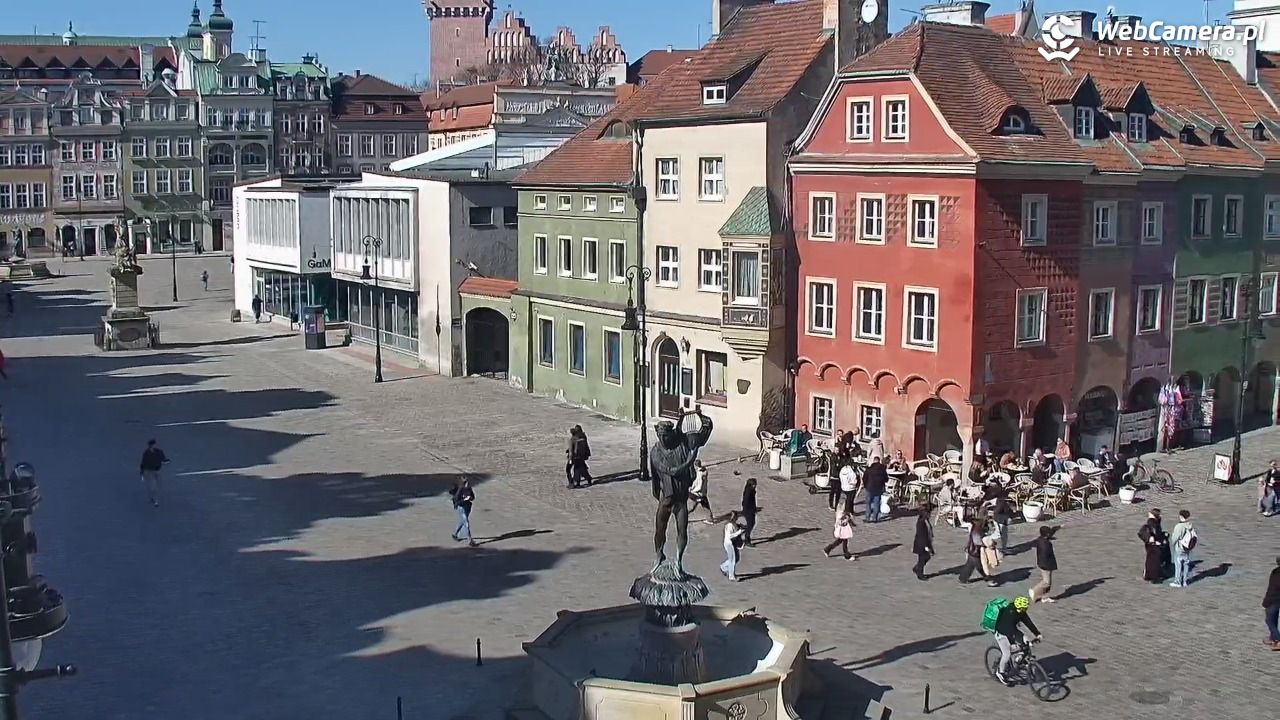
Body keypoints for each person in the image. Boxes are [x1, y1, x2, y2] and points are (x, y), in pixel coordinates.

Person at [993, 596, 1043, 686]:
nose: (1026, 609)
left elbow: (1028, 622)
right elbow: (1009, 631)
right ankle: (1000, 673)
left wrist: (1037, 634)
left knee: (1025, 642)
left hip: (1012, 630)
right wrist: (1015, 641)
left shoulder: (1021, 611)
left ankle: (1019, 659)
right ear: (1019, 607)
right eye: (1025, 608)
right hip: (1002, 633)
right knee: (1007, 654)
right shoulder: (1010, 613)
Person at [960, 520, 998, 586]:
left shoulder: (976, 527)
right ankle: (988, 579)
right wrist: (986, 544)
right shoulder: (977, 529)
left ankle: (963, 578)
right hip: (975, 551)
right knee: (981, 567)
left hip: (972, 550)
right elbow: (977, 541)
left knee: (970, 565)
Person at [1168, 510, 1197, 588]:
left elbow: (1175, 538)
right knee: (1186, 563)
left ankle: (1177, 581)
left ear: (1181, 516)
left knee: (1178, 564)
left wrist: (1172, 544)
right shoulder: (1190, 525)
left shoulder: (1179, 526)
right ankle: (1184, 581)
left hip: (1180, 547)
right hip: (1187, 548)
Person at [1028, 526, 1057, 603]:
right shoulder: (1045, 544)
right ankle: (1034, 590)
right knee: (1046, 582)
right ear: (1047, 534)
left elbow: (1052, 532)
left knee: (1049, 582)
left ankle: (1045, 597)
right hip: (1046, 564)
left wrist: (1058, 527)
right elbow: (1045, 556)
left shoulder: (1040, 539)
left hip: (1043, 563)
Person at [1138, 509, 1167, 583]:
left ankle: (1152, 576)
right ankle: (1155, 575)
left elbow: (1154, 532)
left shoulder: (1151, 521)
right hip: (1155, 544)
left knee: (1152, 561)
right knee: (1155, 560)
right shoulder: (1157, 521)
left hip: (1152, 544)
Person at [138, 439, 169, 508]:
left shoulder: (159, 452)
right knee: (153, 486)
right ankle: (155, 501)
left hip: (157, 470)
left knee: (157, 485)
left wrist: (166, 461)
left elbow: (164, 459)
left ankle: (152, 497)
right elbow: (143, 462)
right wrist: (142, 471)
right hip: (149, 471)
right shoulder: (146, 453)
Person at [449, 477, 477, 547]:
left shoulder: (469, 488)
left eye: (468, 482)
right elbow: (457, 501)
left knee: (462, 521)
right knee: (466, 523)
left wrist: (470, 498)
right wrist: (465, 499)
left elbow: (473, 497)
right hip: (461, 508)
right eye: (466, 482)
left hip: (468, 507)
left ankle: (455, 534)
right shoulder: (460, 490)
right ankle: (470, 540)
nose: (468, 483)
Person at [862, 456, 889, 523]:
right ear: (879, 461)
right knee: (876, 504)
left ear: (873, 461)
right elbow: (886, 479)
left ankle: (867, 518)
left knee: (868, 503)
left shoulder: (869, 469)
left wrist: (865, 486)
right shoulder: (883, 469)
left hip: (869, 488)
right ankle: (875, 518)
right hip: (879, 488)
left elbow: (864, 478)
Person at [720, 512, 746, 581]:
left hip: (733, 543)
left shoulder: (734, 524)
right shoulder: (729, 525)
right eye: (736, 517)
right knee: (732, 560)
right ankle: (731, 576)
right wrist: (739, 532)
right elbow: (730, 536)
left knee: (736, 558)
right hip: (729, 544)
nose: (737, 518)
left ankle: (723, 567)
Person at [912, 503, 934, 580]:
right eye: (929, 513)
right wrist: (926, 546)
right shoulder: (921, 522)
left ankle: (917, 568)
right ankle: (920, 574)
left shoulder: (925, 520)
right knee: (922, 558)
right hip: (921, 544)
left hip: (926, 542)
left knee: (927, 557)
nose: (930, 515)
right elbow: (922, 536)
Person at [1264, 556, 1280, 649]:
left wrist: (1266, 601)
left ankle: (1278, 640)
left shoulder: (1276, 573)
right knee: (1274, 619)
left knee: (1269, 620)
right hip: (1275, 600)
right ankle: (1273, 638)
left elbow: (1272, 588)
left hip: (1274, 600)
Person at [740, 477, 760, 547]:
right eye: (754, 484)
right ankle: (746, 540)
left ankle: (744, 532)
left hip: (751, 510)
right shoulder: (749, 492)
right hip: (748, 511)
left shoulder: (751, 490)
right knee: (750, 524)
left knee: (752, 523)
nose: (755, 486)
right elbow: (745, 502)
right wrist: (749, 510)